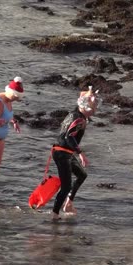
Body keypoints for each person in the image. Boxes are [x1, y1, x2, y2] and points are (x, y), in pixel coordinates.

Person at [51, 86, 101, 220]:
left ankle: (68, 203)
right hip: (62, 153)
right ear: (85, 106)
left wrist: (90, 93)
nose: (95, 108)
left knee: (81, 175)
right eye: (94, 105)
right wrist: (81, 153)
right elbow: (69, 137)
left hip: (64, 152)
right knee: (66, 186)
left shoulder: (75, 113)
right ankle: (54, 214)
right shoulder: (79, 119)